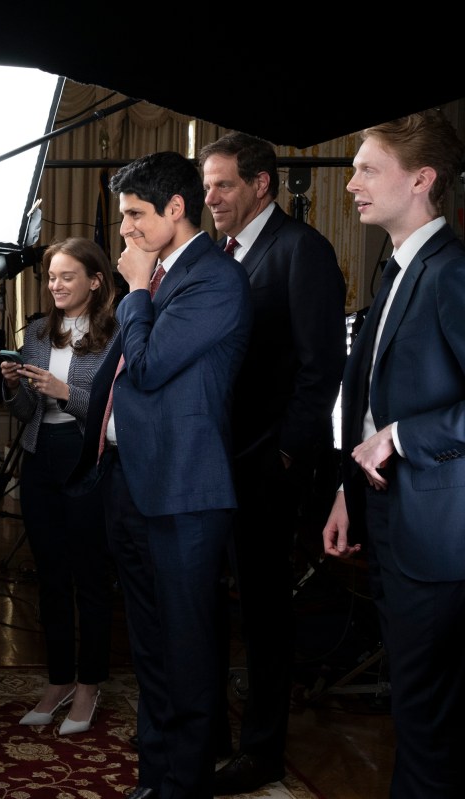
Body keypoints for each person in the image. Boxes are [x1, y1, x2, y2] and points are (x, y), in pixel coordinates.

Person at [77, 151, 251, 799]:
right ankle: (157, 780)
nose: (124, 229)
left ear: (177, 208)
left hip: (184, 493)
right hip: (130, 483)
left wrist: (136, 290)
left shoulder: (215, 281)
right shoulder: (160, 277)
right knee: (149, 652)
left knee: (186, 651)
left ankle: (184, 786)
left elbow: (146, 368)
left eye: (134, 215)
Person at [197, 132, 347, 794]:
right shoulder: (216, 257)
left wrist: (287, 453)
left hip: (267, 469)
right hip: (212, 463)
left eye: (223, 184)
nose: (211, 198)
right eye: (206, 186)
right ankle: (214, 733)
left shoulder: (302, 252)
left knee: (264, 613)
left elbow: (322, 370)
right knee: (215, 605)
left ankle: (263, 748)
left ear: (261, 185)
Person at [322, 110, 465, 799]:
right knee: (414, 714)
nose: (350, 183)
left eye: (367, 168)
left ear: (421, 180)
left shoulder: (449, 273)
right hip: (386, 516)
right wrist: (348, 488)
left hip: (438, 541)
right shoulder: (399, 268)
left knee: (428, 722)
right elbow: (368, 397)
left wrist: (401, 437)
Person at [2, 237, 118, 736]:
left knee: (90, 580)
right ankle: (58, 681)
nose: (56, 285)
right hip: (40, 461)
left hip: (88, 461)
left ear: (95, 280)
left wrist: (66, 392)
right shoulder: (34, 333)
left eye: (67, 276)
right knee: (49, 578)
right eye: (51, 277)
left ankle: (89, 685)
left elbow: (117, 412)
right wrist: (14, 388)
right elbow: (28, 414)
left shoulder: (117, 334)